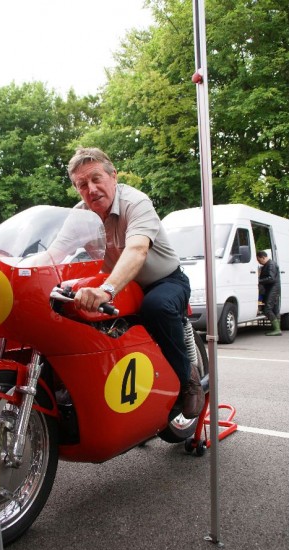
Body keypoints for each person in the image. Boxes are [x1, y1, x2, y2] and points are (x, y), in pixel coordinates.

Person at [67, 147, 205, 419]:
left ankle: (188, 380)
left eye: (96, 179)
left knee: (156, 306)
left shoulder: (136, 202)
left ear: (113, 176)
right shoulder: (81, 215)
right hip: (122, 288)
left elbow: (137, 250)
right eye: (82, 184)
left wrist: (106, 290)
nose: (91, 189)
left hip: (164, 280)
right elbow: (56, 251)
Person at [256, 250, 281, 336]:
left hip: (273, 289)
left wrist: (258, 281)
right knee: (274, 308)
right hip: (272, 289)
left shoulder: (271, 265)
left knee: (267, 309)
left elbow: (271, 278)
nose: (259, 262)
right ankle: (276, 328)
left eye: (259, 260)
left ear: (263, 257)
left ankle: (277, 329)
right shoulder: (268, 265)